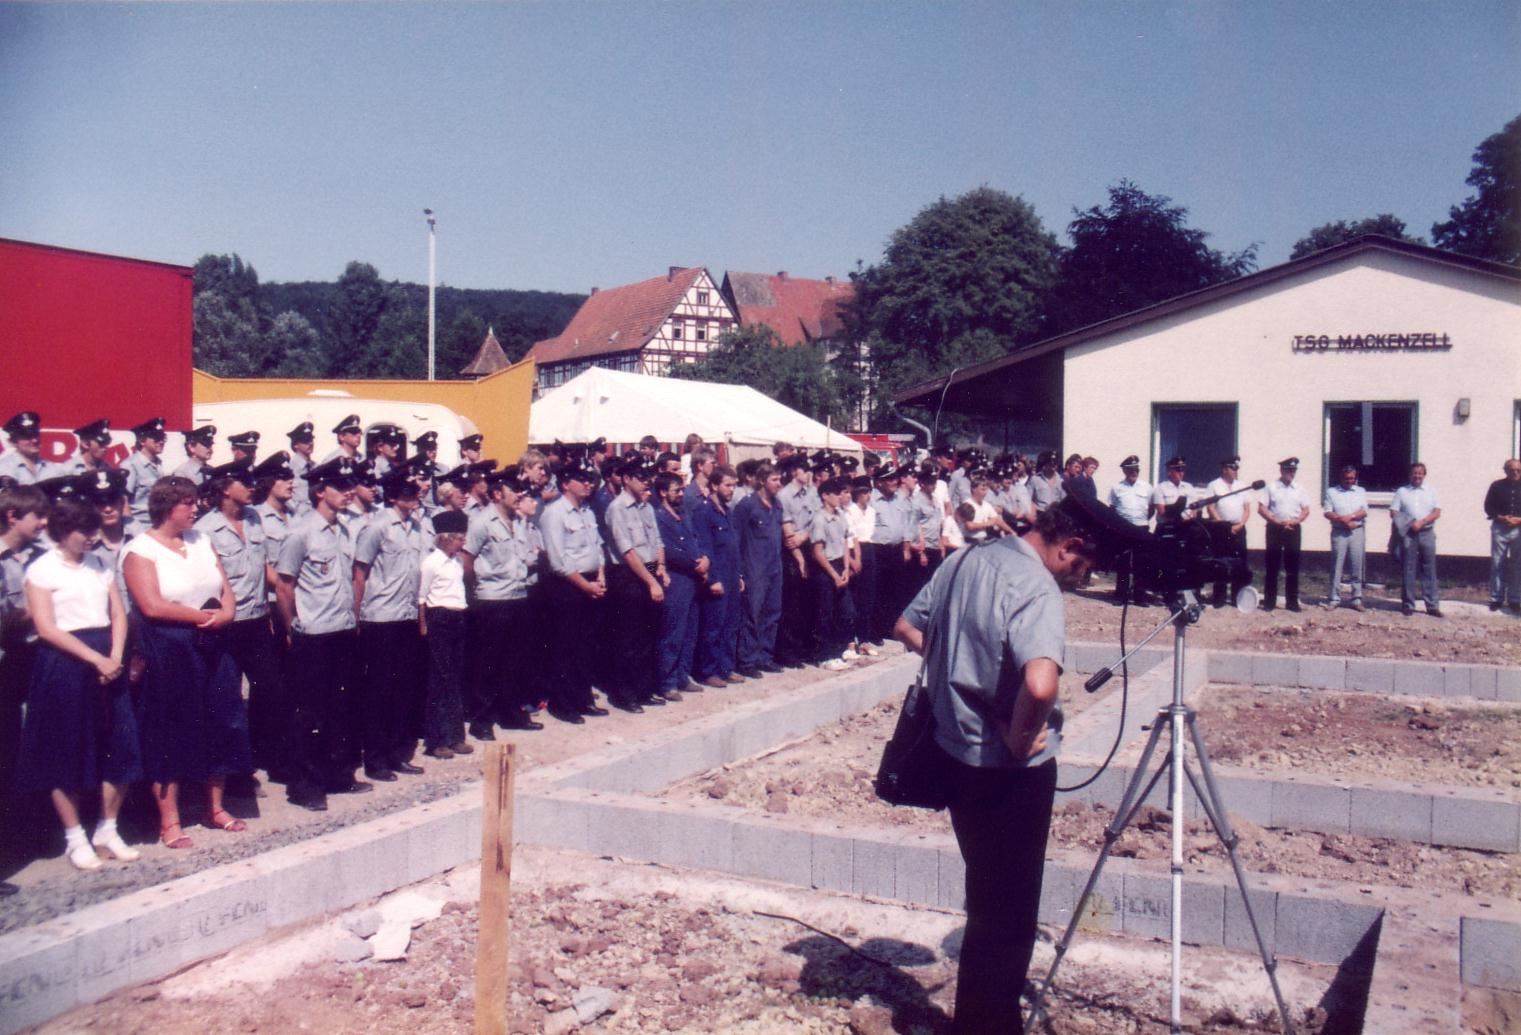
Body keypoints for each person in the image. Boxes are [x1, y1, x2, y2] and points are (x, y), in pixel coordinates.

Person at [894, 496, 1136, 1035]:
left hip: (955, 753)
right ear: (1069, 547)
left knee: (985, 900)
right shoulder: (1035, 587)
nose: (1084, 577)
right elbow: (1040, 684)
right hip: (1009, 772)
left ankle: (977, 1020)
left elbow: (907, 627)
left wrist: (958, 673)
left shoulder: (966, 559)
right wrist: (1019, 733)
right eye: (1086, 567)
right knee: (1009, 918)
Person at [122, 477, 253, 847]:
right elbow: (151, 605)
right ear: (166, 506)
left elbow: (224, 587)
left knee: (221, 720)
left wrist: (226, 613)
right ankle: (170, 821)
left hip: (213, 640)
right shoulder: (140, 550)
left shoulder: (200, 540)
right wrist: (203, 618)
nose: (196, 509)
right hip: (169, 647)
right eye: (188, 503)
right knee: (171, 729)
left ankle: (215, 808)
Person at [17, 498, 142, 870]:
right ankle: (75, 838)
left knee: (120, 746)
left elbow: (118, 613)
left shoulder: (100, 565)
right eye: (84, 531)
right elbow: (46, 628)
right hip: (65, 664)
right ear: (62, 531)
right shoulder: (41, 570)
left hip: (108, 659)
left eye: (94, 531)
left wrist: (115, 656)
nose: (92, 538)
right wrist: (96, 660)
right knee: (65, 751)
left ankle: (107, 829)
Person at [275, 457, 370, 811]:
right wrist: (293, 628)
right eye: (340, 487)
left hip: (342, 629)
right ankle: (305, 784)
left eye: (350, 487)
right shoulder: (300, 533)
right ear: (319, 491)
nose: (348, 493)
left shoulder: (345, 529)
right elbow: (285, 586)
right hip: (314, 633)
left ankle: (338, 775)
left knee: (341, 708)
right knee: (309, 713)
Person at [194, 460, 288, 783]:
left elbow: (262, 568)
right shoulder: (205, 530)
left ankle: (273, 758)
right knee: (229, 700)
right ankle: (236, 774)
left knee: (272, 691)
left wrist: (290, 589)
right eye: (243, 482)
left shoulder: (254, 518)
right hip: (226, 625)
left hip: (258, 622)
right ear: (224, 489)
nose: (251, 486)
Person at [353, 469, 428, 781]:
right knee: (380, 691)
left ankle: (398, 754)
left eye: (416, 493)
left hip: (406, 615)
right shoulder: (378, 527)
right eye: (407, 494)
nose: (415, 499)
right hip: (380, 617)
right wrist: (356, 616)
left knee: (402, 690)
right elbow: (360, 572)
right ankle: (376, 759)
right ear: (394, 497)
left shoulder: (416, 527)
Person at [462, 467, 541, 737]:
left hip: (518, 595)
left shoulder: (517, 521)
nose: (520, 495)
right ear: (497, 493)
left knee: (514, 662)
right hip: (492, 600)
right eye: (514, 490)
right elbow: (467, 560)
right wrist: (478, 590)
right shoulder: (482, 522)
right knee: (489, 664)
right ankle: (482, 721)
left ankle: (511, 714)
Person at [538, 458, 611, 721]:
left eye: (589, 479)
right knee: (566, 647)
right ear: (566, 483)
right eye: (582, 479)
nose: (588, 484)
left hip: (592, 582)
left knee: (586, 646)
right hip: (568, 586)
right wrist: (586, 585)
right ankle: (564, 704)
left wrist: (600, 576)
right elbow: (558, 560)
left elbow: (597, 547)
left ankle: (583, 699)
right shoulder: (554, 513)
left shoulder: (587, 511)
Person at [604, 459, 670, 707]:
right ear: (626, 479)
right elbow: (627, 551)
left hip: (651, 571)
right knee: (628, 639)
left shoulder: (647, 507)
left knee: (648, 636)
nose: (647, 483)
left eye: (648, 478)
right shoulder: (617, 508)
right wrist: (651, 582)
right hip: (629, 576)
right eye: (641, 478)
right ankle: (624, 695)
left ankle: (644, 690)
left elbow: (657, 541)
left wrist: (661, 568)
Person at [419, 508, 471, 758]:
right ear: (447, 538)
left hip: (457, 615)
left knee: (454, 677)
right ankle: (436, 739)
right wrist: (423, 625)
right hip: (439, 617)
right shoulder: (431, 562)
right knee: (439, 678)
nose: (464, 542)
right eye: (460, 537)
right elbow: (422, 596)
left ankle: (456, 736)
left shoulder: (457, 561)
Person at [691, 464, 744, 687]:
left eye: (734, 485)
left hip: (731, 574)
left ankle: (725, 667)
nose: (731, 490)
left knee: (730, 624)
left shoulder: (727, 511)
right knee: (713, 626)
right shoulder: (704, 511)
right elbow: (704, 547)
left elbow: (733, 546)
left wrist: (739, 575)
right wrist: (712, 579)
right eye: (727, 485)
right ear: (714, 485)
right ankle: (708, 671)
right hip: (717, 575)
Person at [654, 471, 706, 696]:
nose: (681, 494)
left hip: (692, 579)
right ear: (664, 492)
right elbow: (669, 551)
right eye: (677, 490)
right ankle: (668, 682)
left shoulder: (683, 514)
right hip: (676, 579)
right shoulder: (660, 517)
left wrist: (705, 559)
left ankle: (683, 675)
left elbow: (696, 539)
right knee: (673, 633)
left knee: (689, 631)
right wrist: (694, 564)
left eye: (682, 490)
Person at [734, 462, 784, 679]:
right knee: (752, 614)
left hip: (774, 565)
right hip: (754, 566)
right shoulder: (747, 506)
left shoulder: (777, 504)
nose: (779, 484)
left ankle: (765, 656)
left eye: (780, 480)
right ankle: (747, 660)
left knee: (772, 612)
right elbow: (737, 539)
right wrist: (740, 572)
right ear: (762, 480)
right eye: (774, 480)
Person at [809, 477, 855, 671]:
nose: (839, 497)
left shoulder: (840, 516)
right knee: (825, 614)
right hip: (825, 569)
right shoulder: (819, 519)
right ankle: (825, 655)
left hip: (839, 565)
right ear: (825, 496)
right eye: (835, 493)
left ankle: (837, 650)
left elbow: (845, 543)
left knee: (846, 612)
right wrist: (834, 575)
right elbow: (817, 552)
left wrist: (845, 568)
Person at [1259, 457, 1311, 612]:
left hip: (1293, 529)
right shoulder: (1271, 487)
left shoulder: (1299, 489)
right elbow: (1262, 508)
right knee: (1272, 566)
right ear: (1281, 470)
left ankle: (1292, 602)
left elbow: (1306, 510)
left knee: (1292, 567)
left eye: (1293, 470)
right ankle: (1269, 602)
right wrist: (1276, 521)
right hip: (1275, 529)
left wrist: (1295, 521)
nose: (1291, 473)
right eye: (1289, 470)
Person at [1391, 462, 1442, 617]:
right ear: (1410, 474)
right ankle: (1408, 604)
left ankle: (1432, 605)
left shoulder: (1431, 491)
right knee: (1408, 568)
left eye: (1420, 473)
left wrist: (1422, 521)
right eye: (1414, 473)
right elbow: (1393, 512)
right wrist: (1410, 522)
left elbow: (1437, 511)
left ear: (1424, 475)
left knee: (1429, 568)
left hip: (1426, 532)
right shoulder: (1402, 491)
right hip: (1408, 533)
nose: (1417, 476)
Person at [1205, 456, 1254, 609]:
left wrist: (1240, 524)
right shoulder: (1214, 485)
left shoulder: (1242, 486)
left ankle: (1236, 597)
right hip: (1221, 530)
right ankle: (1219, 598)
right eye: (1233, 468)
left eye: (1236, 468)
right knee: (1220, 563)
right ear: (1224, 469)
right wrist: (1223, 525)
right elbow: (1210, 507)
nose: (1235, 471)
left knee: (1240, 563)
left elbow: (1247, 509)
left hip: (1239, 528)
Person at [1322, 465, 1369, 611]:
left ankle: (1356, 599)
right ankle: (1334, 598)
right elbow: (1328, 512)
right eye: (1346, 478)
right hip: (1339, 532)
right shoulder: (1332, 492)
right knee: (1337, 566)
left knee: (1357, 565)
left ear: (1355, 478)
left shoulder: (1361, 491)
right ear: (1341, 477)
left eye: (1352, 478)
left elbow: (1364, 511)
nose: (1349, 481)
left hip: (1357, 531)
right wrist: (1344, 521)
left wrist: (1351, 517)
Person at [1107, 455, 1151, 605]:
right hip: (1123, 528)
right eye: (1131, 470)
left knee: (1141, 563)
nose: (1134, 472)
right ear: (1125, 471)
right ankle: (1121, 595)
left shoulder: (1147, 487)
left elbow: (1151, 509)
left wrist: (1141, 520)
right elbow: (1112, 509)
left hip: (1141, 527)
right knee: (1123, 563)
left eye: (1136, 469)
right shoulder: (1117, 488)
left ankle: (1140, 596)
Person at [1482, 459, 1521, 613]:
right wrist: (1499, 517)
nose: (1515, 473)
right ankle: (1496, 598)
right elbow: (1488, 506)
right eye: (1512, 470)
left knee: (1517, 565)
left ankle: (1515, 599)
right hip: (1500, 527)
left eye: (1518, 470)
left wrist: (1519, 519)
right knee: (1498, 563)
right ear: (1505, 470)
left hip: (1519, 529)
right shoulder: (1496, 486)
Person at [122, 417, 167, 532]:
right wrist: (134, 531)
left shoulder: (159, 464)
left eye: (163, 438)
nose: (161, 442)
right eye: (156, 438)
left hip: (158, 525)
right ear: (142, 440)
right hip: (139, 527)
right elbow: (123, 502)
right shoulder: (131, 465)